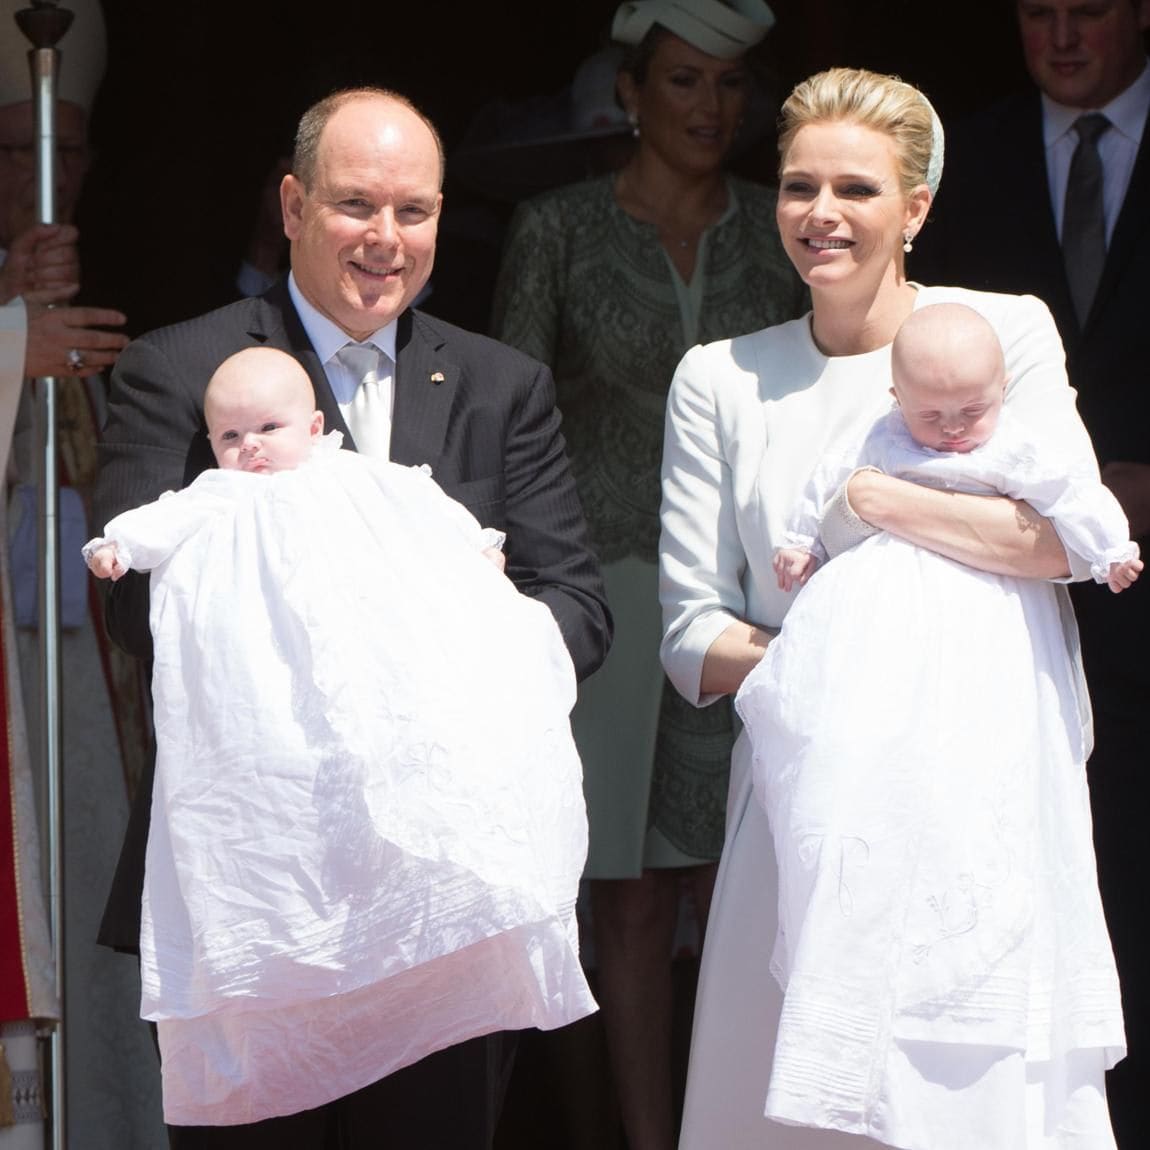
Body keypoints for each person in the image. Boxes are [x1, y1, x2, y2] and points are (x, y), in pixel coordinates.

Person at [93, 86, 610, 1149]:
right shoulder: (183, 370)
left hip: (443, 904)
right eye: (355, 205)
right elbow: (136, 610)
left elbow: (576, 604)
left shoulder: (496, 383)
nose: (386, 240)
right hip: (252, 900)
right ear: (290, 205)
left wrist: (451, 651)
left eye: (413, 211)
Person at [659, 66, 1124, 1149]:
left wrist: (879, 498)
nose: (821, 214)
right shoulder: (718, 378)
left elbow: (1061, 539)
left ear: (914, 207)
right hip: (804, 807)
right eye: (797, 187)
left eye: (856, 189)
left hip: (984, 809)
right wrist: (841, 684)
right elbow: (689, 629)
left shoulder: (1001, 336)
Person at [491, 3, 804, 1145]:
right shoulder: (557, 228)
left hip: (750, 596)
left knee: (741, 878)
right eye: (681, 81)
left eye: (727, 83)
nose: (708, 106)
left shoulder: (784, 225)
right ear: (628, 93)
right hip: (610, 592)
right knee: (620, 889)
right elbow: (510, 418)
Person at [733, 300, 1133, 1144]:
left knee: (978, 859)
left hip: (987, 652)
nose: (952, 431)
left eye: (970, 413)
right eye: (932, 415)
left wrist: (1110, 550)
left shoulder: (1011, 440)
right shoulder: (878, 437)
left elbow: (1068, 492)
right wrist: (803, 540)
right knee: (860, 857)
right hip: (870, 668)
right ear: (897, 396)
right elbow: (824, 483)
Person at [911, 4, 1150, 1143]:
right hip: (1004, 575)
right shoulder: (972, 154)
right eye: (1036, 11)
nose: (1060, 35)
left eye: (1087, 8)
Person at [1, 0, 163, 1142]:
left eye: (55, 151)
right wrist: (12, 340)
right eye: (12, 153)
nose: (37, 174)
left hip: (75, 703)